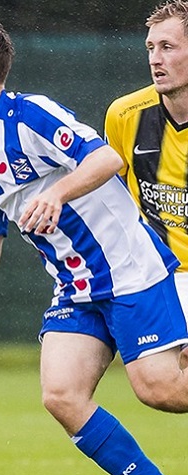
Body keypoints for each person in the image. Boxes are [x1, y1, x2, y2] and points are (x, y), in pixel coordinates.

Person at [0, 20, 188, 475]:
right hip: (76, 287)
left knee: (160, 390)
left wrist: (57, 192)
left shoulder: (30, 115)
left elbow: (107, 159)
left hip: (132, 272)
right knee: (61, 394)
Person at [105, 0, 188, 336]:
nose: (155, 58)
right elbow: (110, 202)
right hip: (152, 277)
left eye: (167, 47)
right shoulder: (124, 115)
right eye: (150, 48)